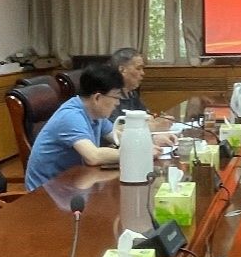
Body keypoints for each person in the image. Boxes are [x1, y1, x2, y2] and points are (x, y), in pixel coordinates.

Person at [25, 62, 167, 191]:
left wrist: (149, 141)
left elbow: (117, 136)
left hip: (72, 183)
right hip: (45, 193)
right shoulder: (71, 116)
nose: (117, 103)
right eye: (116, 97)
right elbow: (93, 156)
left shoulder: (95, 113)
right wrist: (139, 153)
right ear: (97, 97)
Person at [110, 47, 147, 120]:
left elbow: (146, 117)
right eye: (138, 68)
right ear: (122, 70)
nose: (143, 73)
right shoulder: (109, 94)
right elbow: (116, 124)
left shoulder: (132, 94)